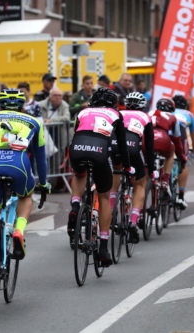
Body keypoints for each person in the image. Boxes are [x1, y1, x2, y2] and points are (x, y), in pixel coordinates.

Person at [0, 89, 50, 288]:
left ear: (0, 105)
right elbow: (41, 157)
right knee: (26, 196)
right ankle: (18, 231)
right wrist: (43, 183)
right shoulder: (35, 122)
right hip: (19, 165)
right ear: (23, 105)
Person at [67, 87, 134, 266]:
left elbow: (77, 133)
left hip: (78, 148)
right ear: (113, 104)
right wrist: (127, 167)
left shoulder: (83, 112)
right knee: (104, 196)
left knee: (79, 174)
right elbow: (122, 145)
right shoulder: (115, 114)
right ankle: (103, 247)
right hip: (99, 151)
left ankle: (75, 206)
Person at [109, 92, 155, 244]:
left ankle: (111, 211)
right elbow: (149, 146)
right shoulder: (146, 117)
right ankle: (133, 222)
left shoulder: (118, 113)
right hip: (133, 149)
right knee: (140, 184)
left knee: (115, 175)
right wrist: (151, 168)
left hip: (114, 148)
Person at [148, 98, 188, 196]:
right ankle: (165, 180)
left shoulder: (149, 113)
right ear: (172, 109)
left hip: (148, 141)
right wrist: (181, 155)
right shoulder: (173, 117)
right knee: (171, 153)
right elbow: (177, 140)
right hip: (163, 140)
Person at [172, 95, 194, 208]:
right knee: (183, 162)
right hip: (180, 137)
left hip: (163, 137)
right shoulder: (189, 115)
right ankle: (181, 197)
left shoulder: (166, 112)